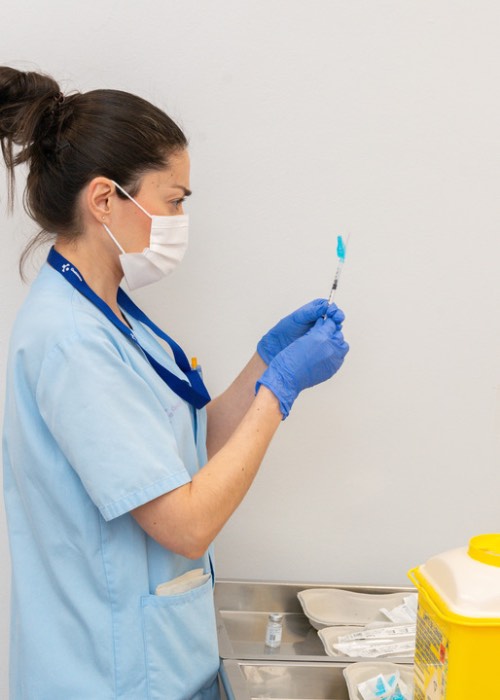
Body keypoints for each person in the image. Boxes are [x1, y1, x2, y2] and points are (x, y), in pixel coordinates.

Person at [0, 66, 349, 700]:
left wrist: (266, 364)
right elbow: (185, 523)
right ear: (104, 201)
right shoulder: (73, 341)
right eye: (174, 199)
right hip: (107, 676)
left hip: (153, 660)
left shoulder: (112, 313)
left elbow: (184, 450)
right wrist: (279, 394)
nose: (181, 217)